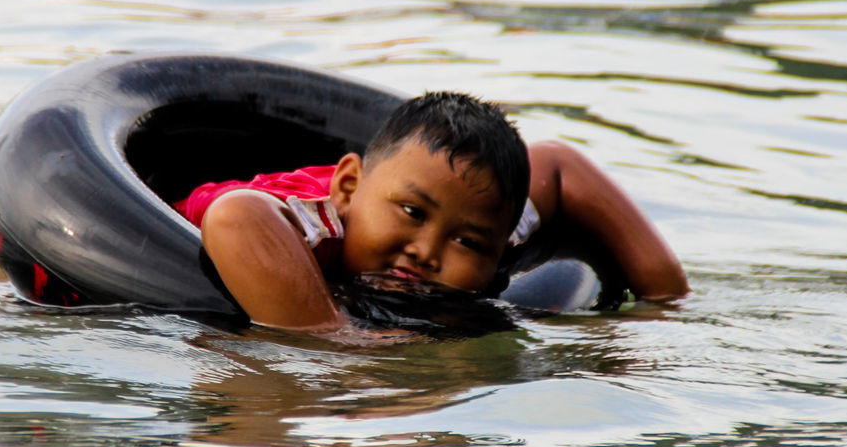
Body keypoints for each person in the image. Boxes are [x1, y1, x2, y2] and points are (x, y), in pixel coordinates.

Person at [173, 91, 688, 332]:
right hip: (150, 232)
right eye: (411, 213)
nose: (426, 251)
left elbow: (556, 166)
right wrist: (335, 340)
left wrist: (664, 302)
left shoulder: (492, 223)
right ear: (350, 186)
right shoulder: (316, 222)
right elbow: (236, 215)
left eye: (466, 243)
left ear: (504, 243)